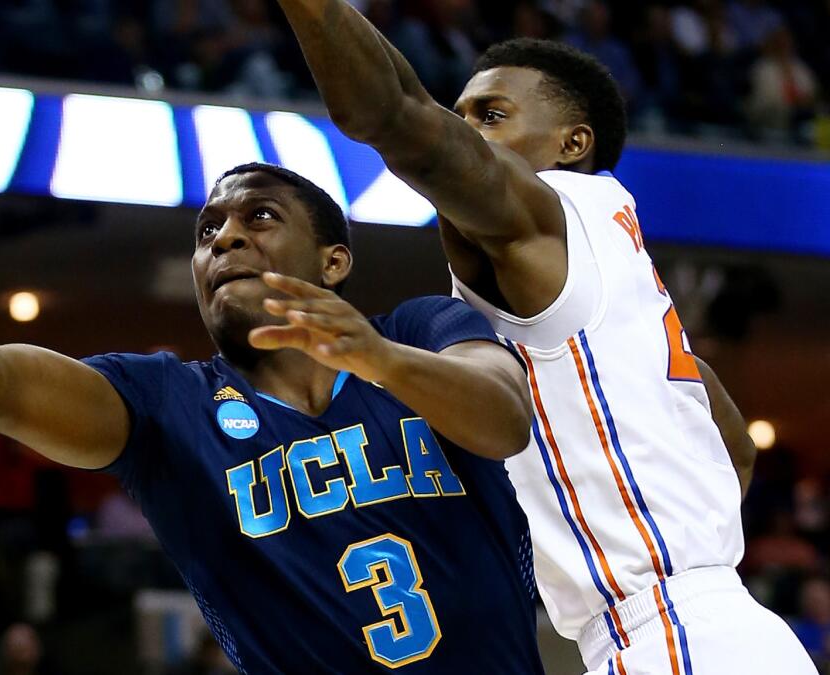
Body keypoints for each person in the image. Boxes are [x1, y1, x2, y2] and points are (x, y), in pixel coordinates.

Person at [0, 101, 543, 672]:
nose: (223, 240)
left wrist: (378, 361)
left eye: (257, 218)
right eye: (208, 231)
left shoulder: (421, 332)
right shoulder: (168, 405)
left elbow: (502, 419)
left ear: (335, 260)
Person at [273, 2, 813, 672]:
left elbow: (389, 113)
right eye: (462, 113)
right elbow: (731, 446)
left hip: (670, 632)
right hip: (714, 623)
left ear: (571, 144)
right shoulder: (619, 267)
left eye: (491, 115)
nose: (464, 130)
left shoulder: (542, 213)